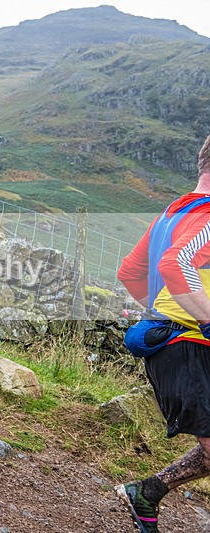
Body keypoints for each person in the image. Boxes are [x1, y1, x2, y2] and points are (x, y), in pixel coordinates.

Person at [116, 132, 210, 533]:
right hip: (185, 346)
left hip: (174, 343)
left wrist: (158, 310)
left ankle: (147, 492)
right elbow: (176, 265)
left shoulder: (173, 212)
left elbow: (130, 273)